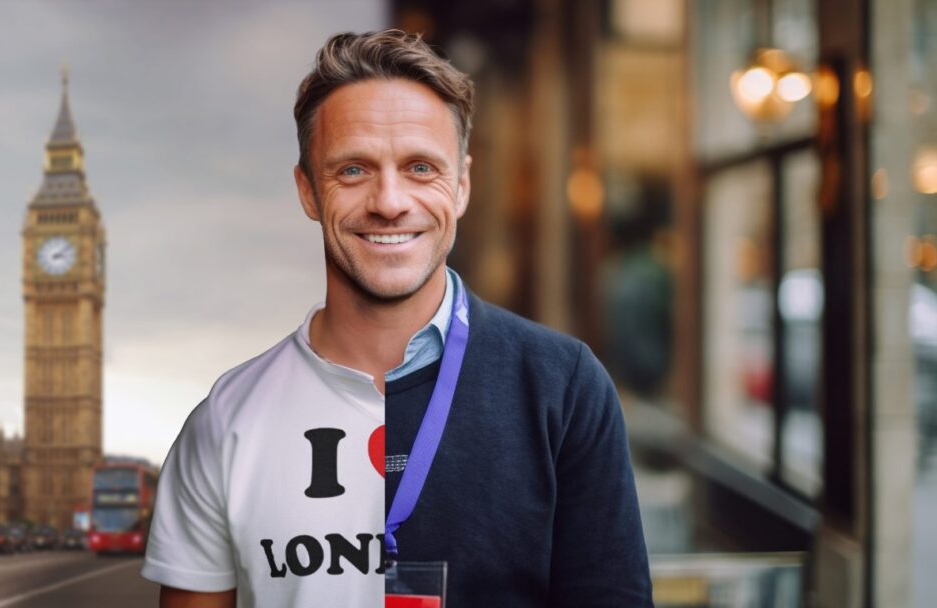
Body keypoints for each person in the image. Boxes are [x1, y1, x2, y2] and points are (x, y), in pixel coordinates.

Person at [142, 29, 651, 608]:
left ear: (462, 184)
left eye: (420, 168)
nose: (389, 201)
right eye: (354, 170)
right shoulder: (224, 420)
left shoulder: (564, 387)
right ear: (308, 190)